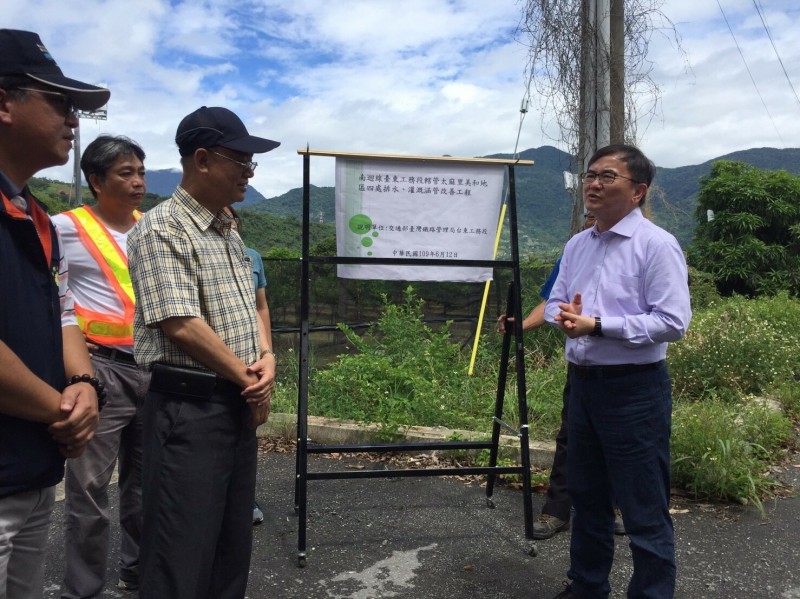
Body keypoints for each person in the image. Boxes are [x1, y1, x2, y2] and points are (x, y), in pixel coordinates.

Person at [128, 106, 279, 599]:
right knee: (180, 552)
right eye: (241, 161)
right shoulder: (162, 229)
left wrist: (267, 358)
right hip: (188, 410)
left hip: (234, 402)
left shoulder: (227, 231)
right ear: (202, 159)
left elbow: (250, 307)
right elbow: (180, 324)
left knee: (230, 544)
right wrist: (249, 379)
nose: (248, 172)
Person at [546, 144, 691, 599]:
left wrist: (598, 325)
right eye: (590, 175)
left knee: (643, 507)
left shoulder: (656, 245)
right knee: (587, 498)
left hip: (635, 391)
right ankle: (587, 587)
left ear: (638, 191)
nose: (592, 183)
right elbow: (555, 301)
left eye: (607, 176)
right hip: (583, 388)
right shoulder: (578, 244)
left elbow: (672, 323)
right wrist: (564, 316)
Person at [0, 29, 105, 599]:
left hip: (36, 470)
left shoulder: (39, 218)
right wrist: (65, 414)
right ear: (3, 102)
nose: (73, 120)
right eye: (60, 103)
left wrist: (84, 383)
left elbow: (64, 312)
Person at [52, 135, 150, 597]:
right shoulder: (61, 228)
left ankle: (140, 570)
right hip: (101, 371)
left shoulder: (152, 228)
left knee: (146, 483)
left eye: (141, 172)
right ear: (96, 180)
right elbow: (51, 298)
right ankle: (84, 588)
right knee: (89, 488)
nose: (138, 182)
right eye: (125, 173)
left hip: (155, 369)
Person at [499, 213, 629, 541]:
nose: (590, 223)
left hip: (628, 368)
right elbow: (551, 303)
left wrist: (599, 325)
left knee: (617, 440)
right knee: (570, 435)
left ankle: (613, 505)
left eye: (597, 217)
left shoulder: (642, 247)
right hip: (582, 365)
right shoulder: (575, 250)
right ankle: (557, 509)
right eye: (587, 218)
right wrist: (520, 326)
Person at [228, 205, 271, 526]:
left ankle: (244, 498)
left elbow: (260, 307)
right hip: (216, 358)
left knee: (248, 428)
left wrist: (266, 352)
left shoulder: (252, 257)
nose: (226, 222)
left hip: (250, 357)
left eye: (231, 217)